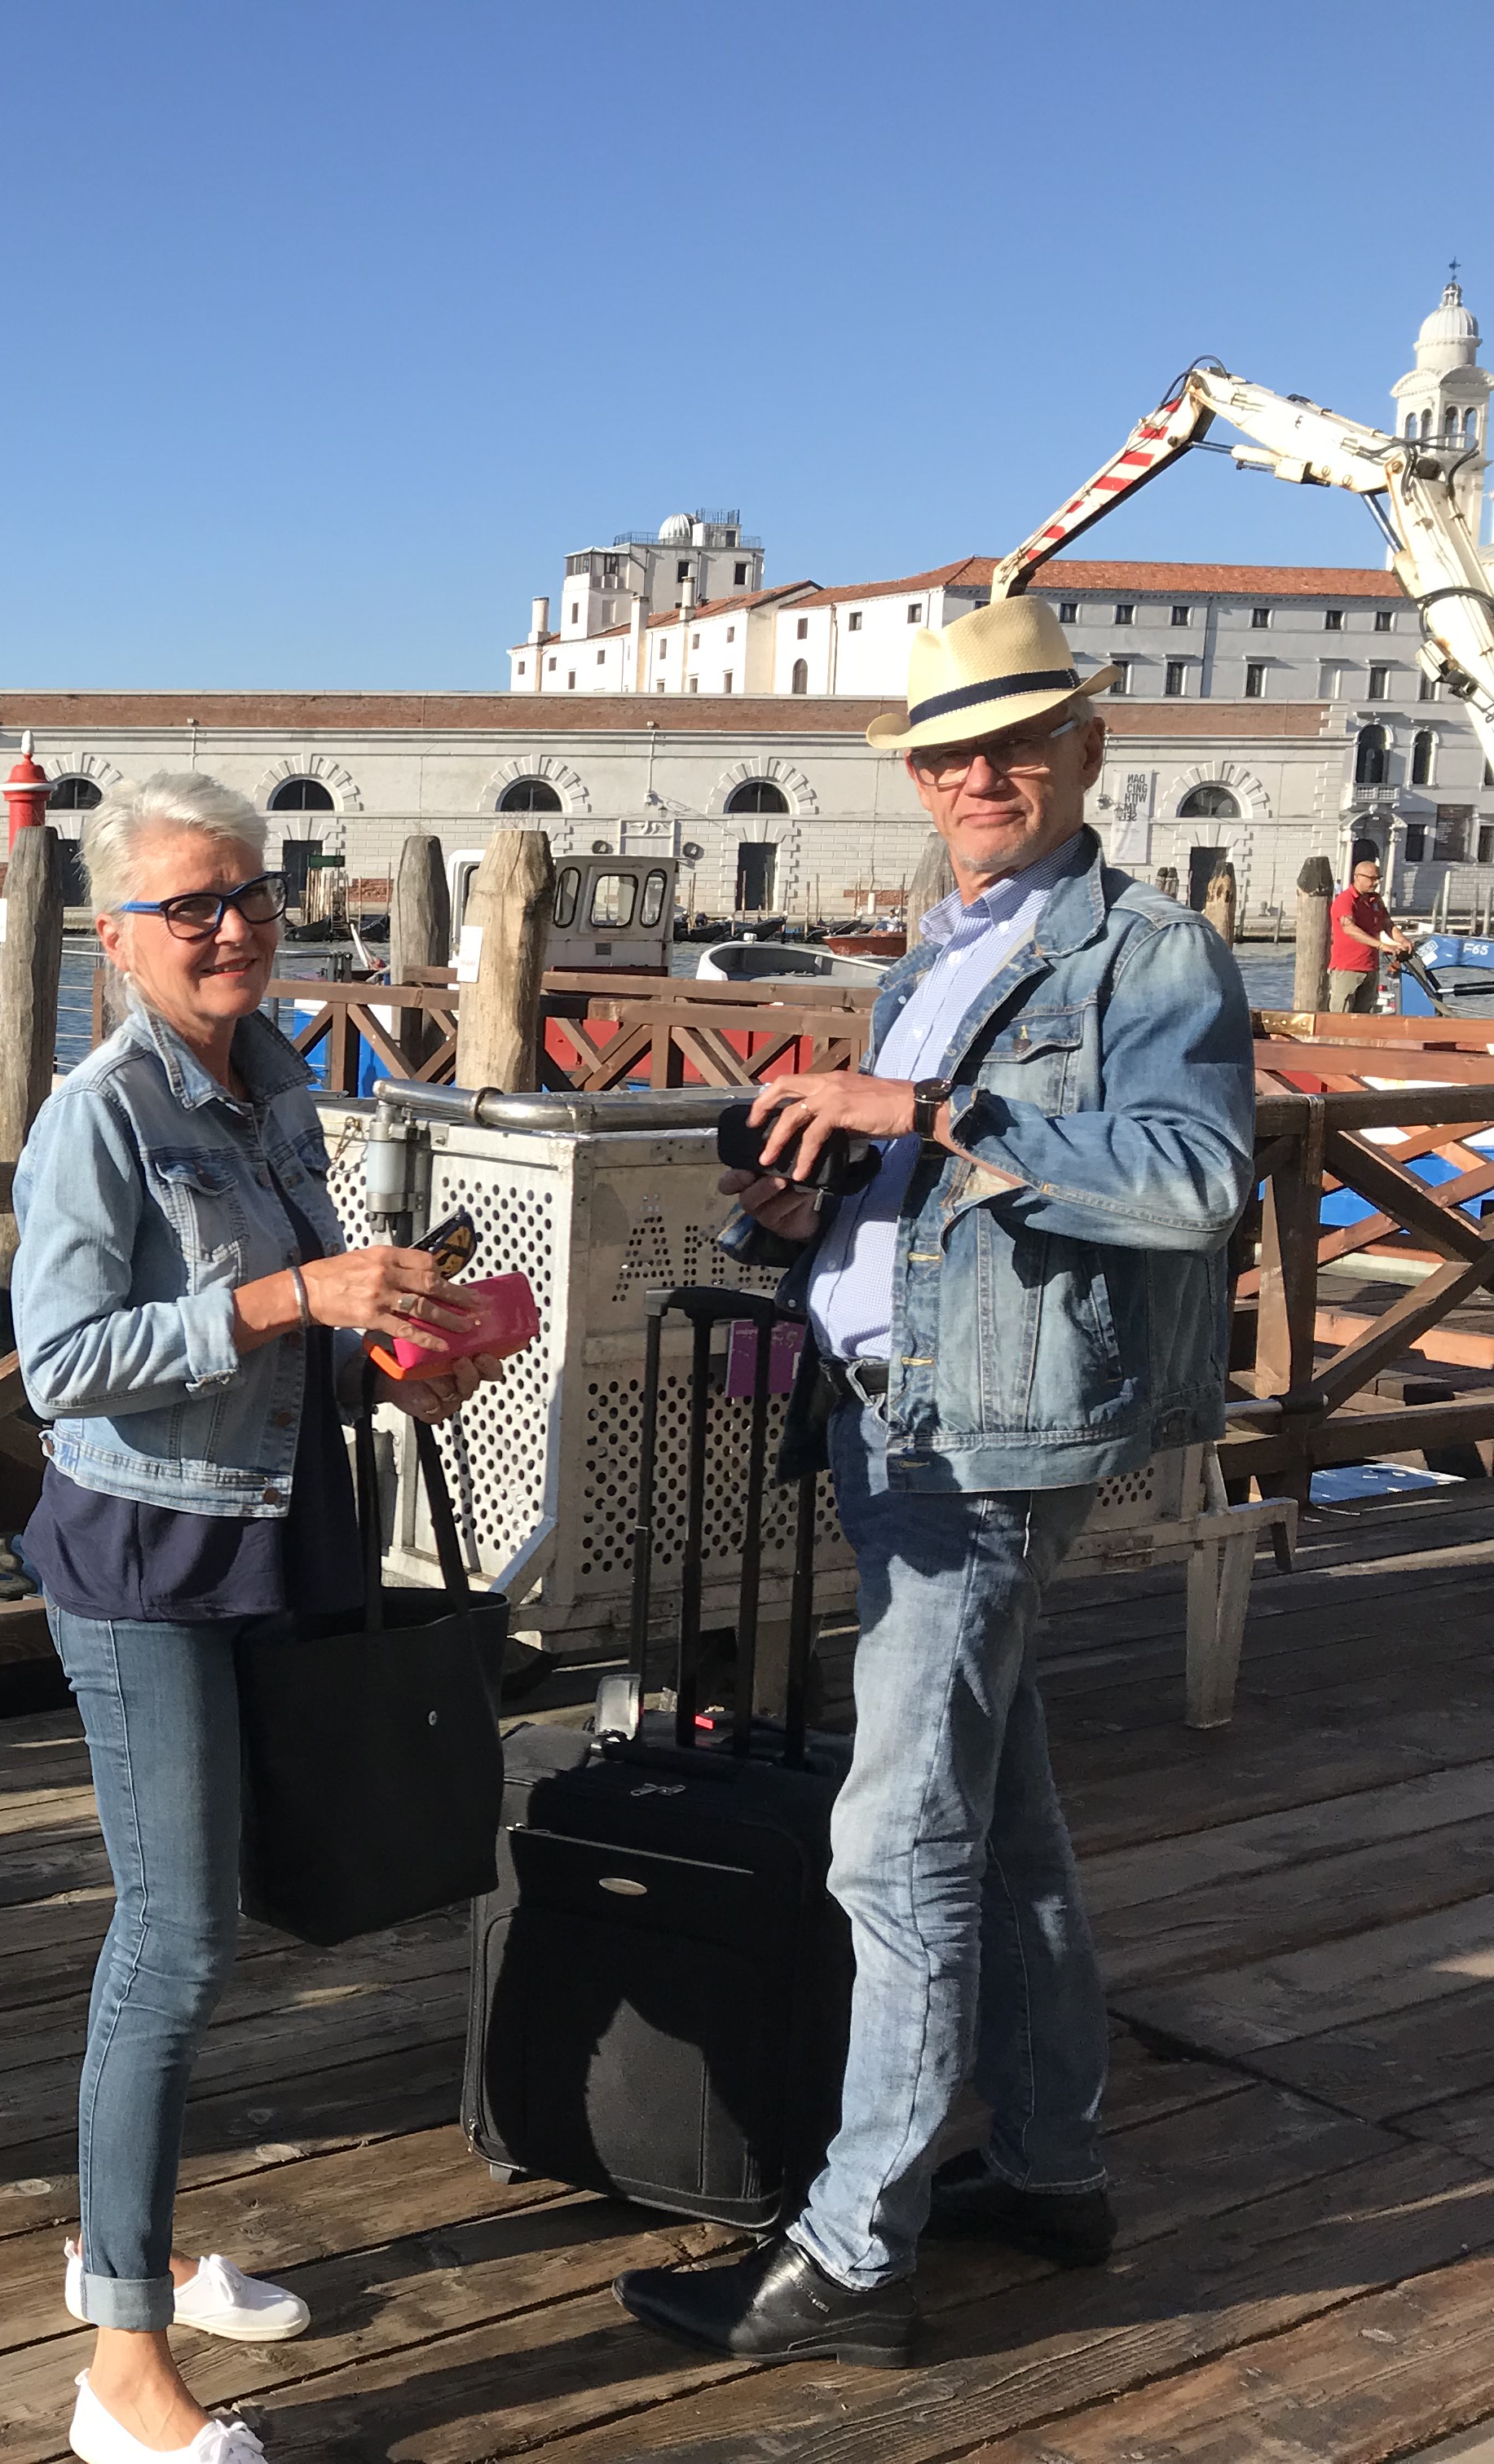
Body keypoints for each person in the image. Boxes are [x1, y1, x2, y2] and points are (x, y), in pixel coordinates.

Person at [616, 597, 1254, 2368]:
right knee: (1006, 1824)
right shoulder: (935, 957)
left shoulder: (1153, 954)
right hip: (890, 1414)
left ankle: (853, 2256)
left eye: (1012, 745)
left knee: (894, 1848)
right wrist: (805, 1209)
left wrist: (934, 1116)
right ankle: (1051, 2166)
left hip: (981, 1440)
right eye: (946, 754)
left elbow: (1196, 1178)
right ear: (915, 776)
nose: (977, 777)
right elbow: (918, 1196)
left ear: (1083, 754)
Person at [11, 775, 496, 2464]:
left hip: (270, 1533)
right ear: (117, 936)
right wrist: (294, 1297)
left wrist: (388, 1363)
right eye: (191, 906)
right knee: (177, 1937)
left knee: (206, 1920)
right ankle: (120, 2368)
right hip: (142, 1557)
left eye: (252, 897)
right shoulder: (98, 1113)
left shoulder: (278, 1086)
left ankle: (119, 2246)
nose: (230, 928)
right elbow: (63, 1363)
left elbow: (284, 1342)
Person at [1329, 847, 1412, 1012]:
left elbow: (1387, 924)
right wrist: (1382, 946)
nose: (1376, 882)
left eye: (1378, 878)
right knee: (1342, 1013)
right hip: (1348, 967)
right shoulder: (1345, 900)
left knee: (1366, 1012)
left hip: (1371, 967)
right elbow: (1350, 929)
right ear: (1357, 877)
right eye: (1372, 879)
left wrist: (1402, 940)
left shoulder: (1376, 900)